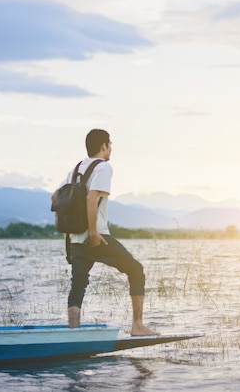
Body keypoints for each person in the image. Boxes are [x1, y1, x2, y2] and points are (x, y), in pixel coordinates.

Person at [52, 129, 159, 336]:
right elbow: (91, 198)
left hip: (75, 240)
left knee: (78, 286)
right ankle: (137, 326)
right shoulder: (103, 167)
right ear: (103, 146)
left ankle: (73, 333)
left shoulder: (76, 169)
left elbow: (55, 197)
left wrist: (68, 233)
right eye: (110, 145)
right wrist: (93, 233)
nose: (111, 149)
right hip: (96, 236)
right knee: (136, 270)